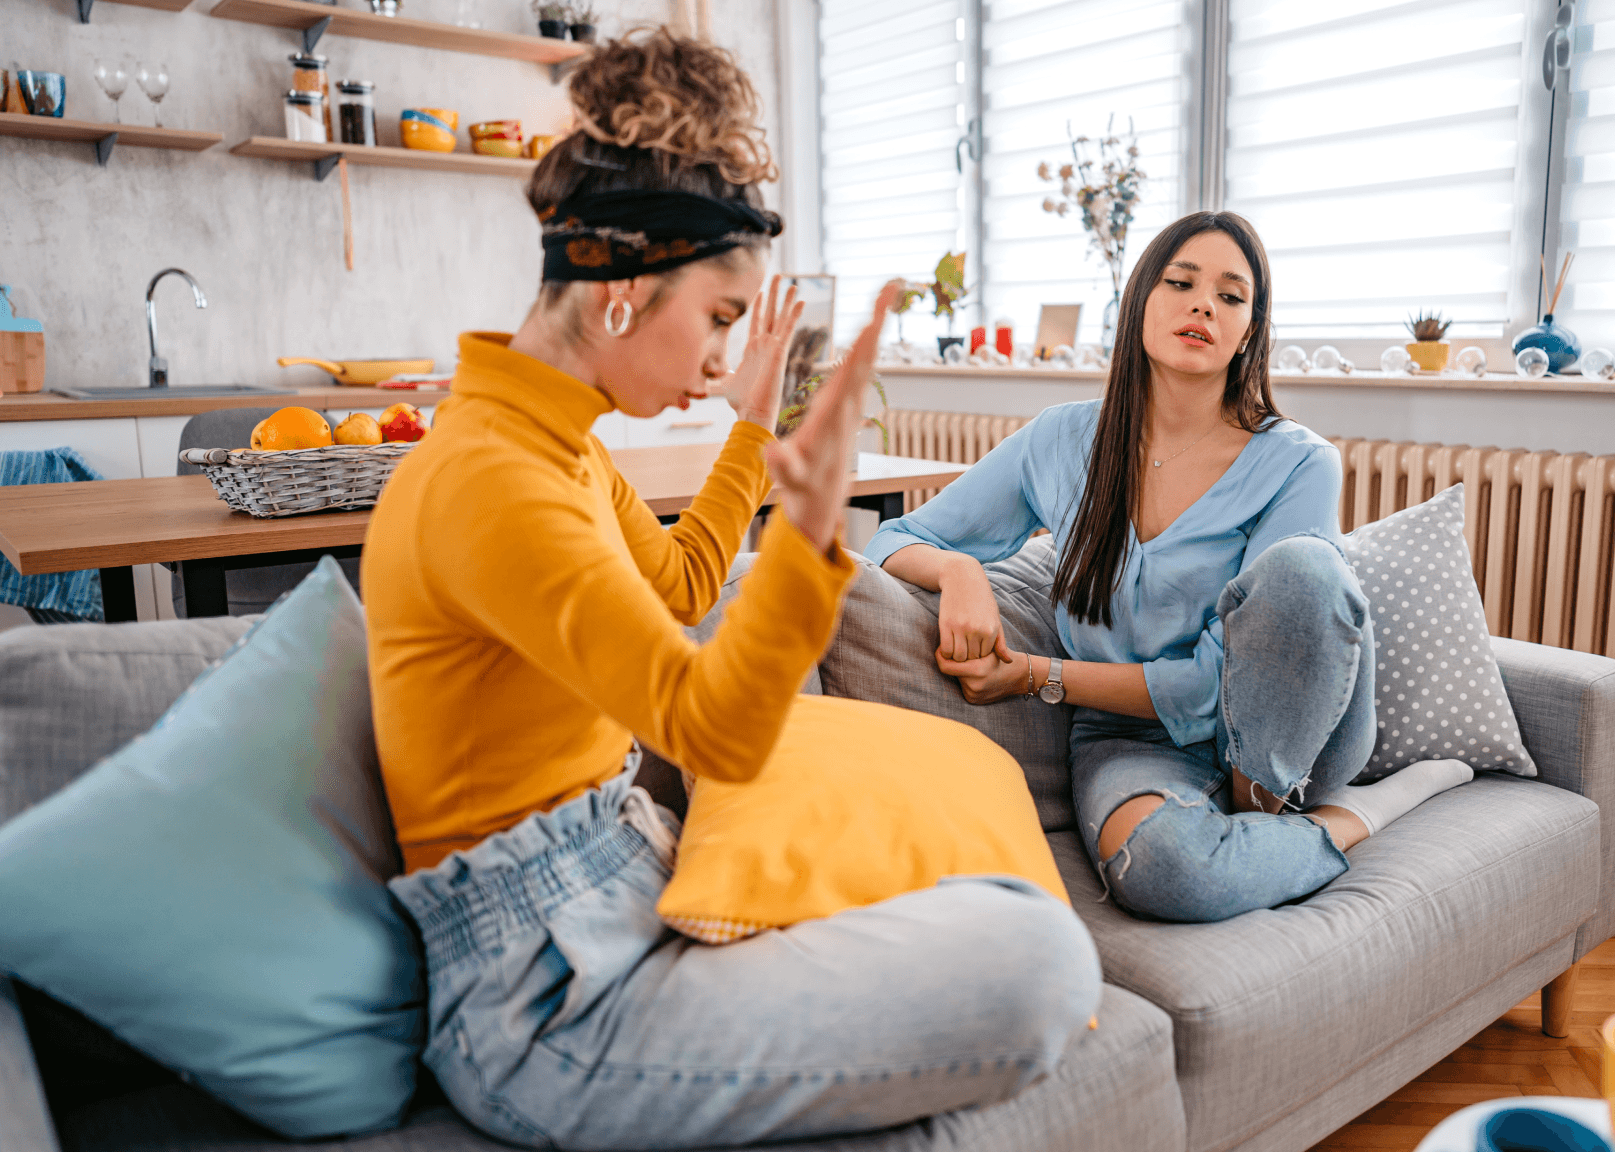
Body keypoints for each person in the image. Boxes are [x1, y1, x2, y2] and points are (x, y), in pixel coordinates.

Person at [362, 29, 1097, 1151]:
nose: (719, 355)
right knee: (1040, 960)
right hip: (540, 1001)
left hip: (613, 883)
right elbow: (711, 725)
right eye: (717, 318)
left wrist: (751, 429)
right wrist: (811, 528)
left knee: (997, 902)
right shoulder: (491, 481)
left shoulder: (558, 449)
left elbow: (681, 583)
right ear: (621, 291)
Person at [869, 211, 1474, 925]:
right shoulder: (1060, 440)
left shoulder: (1298, 459)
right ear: (1140, 305)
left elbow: (1214, 687)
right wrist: (961, 573)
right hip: (1130, 741)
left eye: (1230, 295)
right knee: (1162, 868)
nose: (1203, 305)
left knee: (1306, 569)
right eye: (1181, 282)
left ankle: (1276, 805)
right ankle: (1338, 828)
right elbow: (897, 537)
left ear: (1249, 329)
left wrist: (1035, 674)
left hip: (1291, 731)